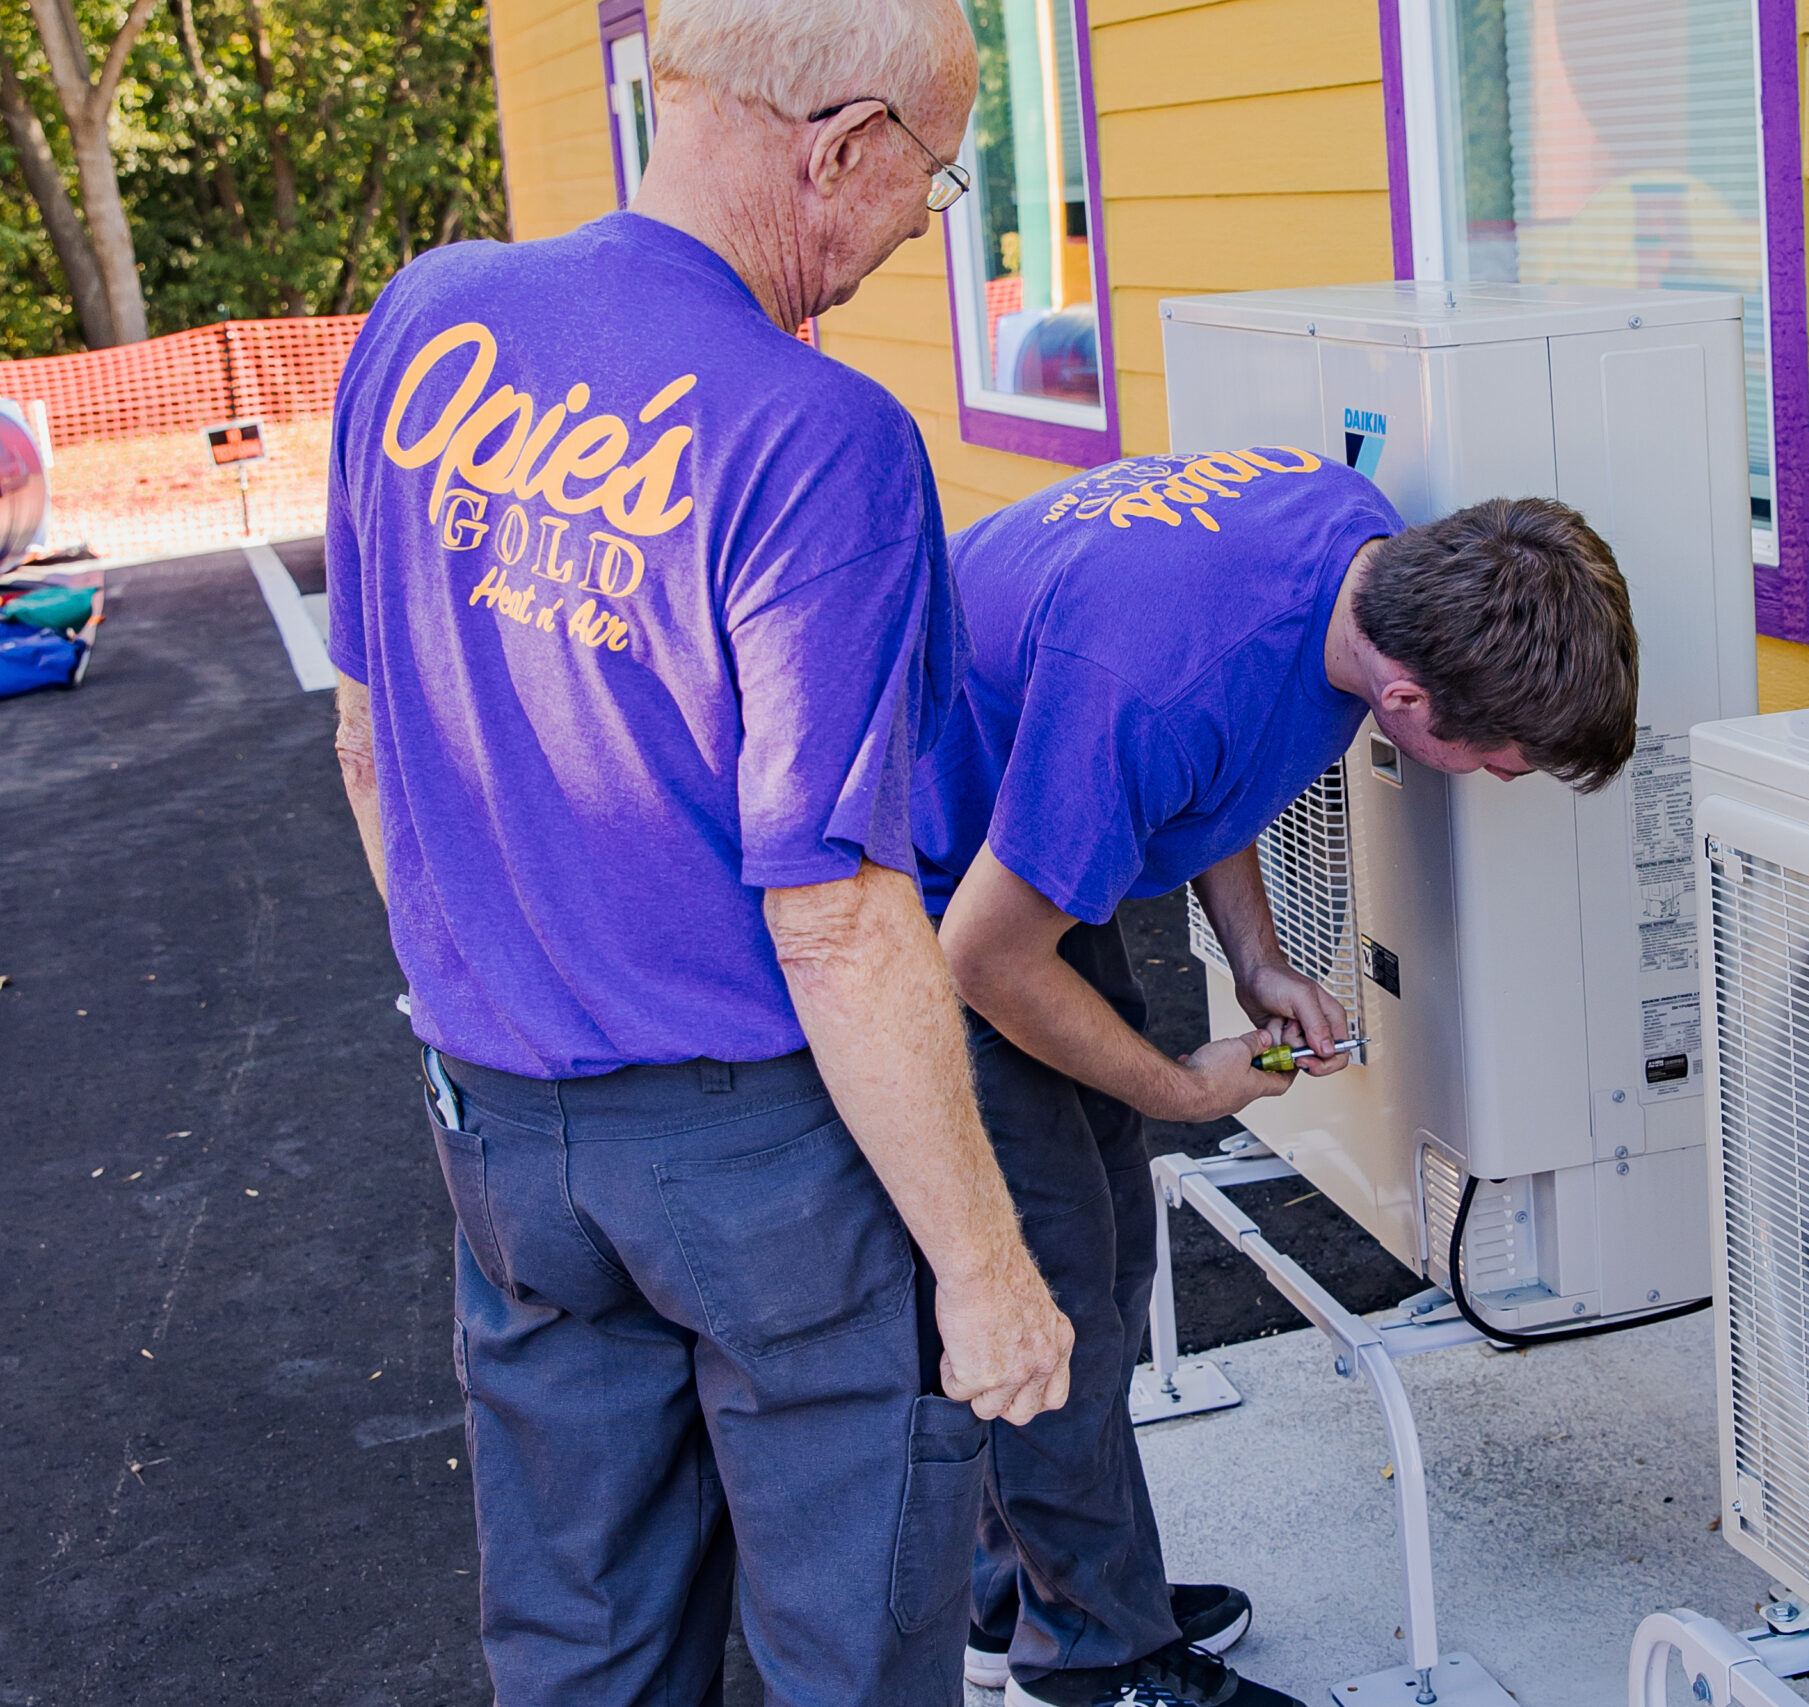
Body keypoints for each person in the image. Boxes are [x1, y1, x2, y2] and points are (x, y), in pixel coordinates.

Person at [324, 1, 1075, 1701]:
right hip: (763, 1165)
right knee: (849, 1643)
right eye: (934, 180)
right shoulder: (824, 436)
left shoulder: (428, 318)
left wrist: (494, 999)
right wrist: (987, 1268)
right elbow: (835, 915)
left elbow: (369, 741)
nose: (912, 226)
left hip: (504, 1128)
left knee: (584, 1645)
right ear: (842, 143)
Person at [914, 451, 1641, 1707]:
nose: (1507, 781)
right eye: (1508, 760)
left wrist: (1258, 958)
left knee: (1094, 1247)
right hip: (931, 875)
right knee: (1045, 1287)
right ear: (1408, 701)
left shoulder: (1353, 540)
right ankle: (1098, 1657)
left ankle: (1033, 1587)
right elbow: (981, 956)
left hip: (1032, 797)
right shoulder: (1144, 696)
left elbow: (1222, 745)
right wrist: (1174, 1090)